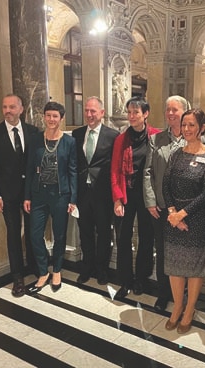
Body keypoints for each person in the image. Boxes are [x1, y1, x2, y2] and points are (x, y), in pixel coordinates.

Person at [162, 108, 205, 334]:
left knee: (195, 269)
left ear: (202, 127)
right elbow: (165, 184)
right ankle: (177, 307)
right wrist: (173, 213)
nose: (186, 129)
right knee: (175, 267)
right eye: (184, 125)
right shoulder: (177, 153)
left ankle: (190, 310)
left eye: (192, 125)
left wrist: (182, 215)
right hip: (174, 218)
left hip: (196, 219)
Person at [0, 94, 40, 297]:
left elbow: (36, 164)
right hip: (7, 195)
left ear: (21, 109)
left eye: (12, 107)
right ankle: (17, 277)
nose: (7, 110)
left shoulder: (33, 132)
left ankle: (37, 268)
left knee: (34, 231)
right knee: (14, 234)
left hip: (30, 194)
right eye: (4, 107)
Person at [23, 101, 77, 293]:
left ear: (61, 119)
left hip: (60, 195)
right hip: (38, 194)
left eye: (55, 116)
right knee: (35, 234)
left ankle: (57, 270)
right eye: (48, 115)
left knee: (60, 234)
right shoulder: (36, 139)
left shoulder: (69, 142)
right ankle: (43, 270)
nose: (51, 119)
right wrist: (27, 196)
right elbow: (29, 169)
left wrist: (73, 199)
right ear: (44, 117)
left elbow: (72, 172)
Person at [143, 95, 190, 312]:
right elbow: (148, 172)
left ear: (185, 112)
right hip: (161, 208)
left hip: (184, 211)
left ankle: (183, 295)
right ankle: (164, 294)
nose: (170, 114)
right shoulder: (156, 140)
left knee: (183, 253)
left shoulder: (194, 140)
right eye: (167, 109)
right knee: (162, 252)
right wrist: (151, 201)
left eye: (175, 110)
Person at [111, 96, 161, 299]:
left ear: (145, 114)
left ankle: (141, 278)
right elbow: (115, 171)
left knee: (146, 238)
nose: (131, 116)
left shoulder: (156, 136)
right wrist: (116, 199)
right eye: (129, 112)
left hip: (148, 196)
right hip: (126, 194)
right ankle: (125, 280)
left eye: (136, 112)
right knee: (123, 238)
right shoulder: (121, 139)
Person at [72, 97, 119, 285]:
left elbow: (115, 166)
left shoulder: (113, 136)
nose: (89, 115)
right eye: (87, 111)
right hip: (83, 193)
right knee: (85, 233)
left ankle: (102, 269)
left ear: (102, 113)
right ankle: (87, 267)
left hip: (103, 194)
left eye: (93, 111)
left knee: (104, 233)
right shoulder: (76, 134)